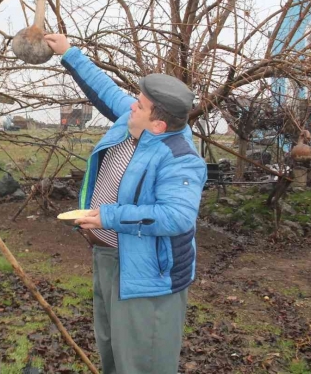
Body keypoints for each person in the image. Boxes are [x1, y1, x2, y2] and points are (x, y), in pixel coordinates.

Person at [44, 34, 207, 374]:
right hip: (108, 257)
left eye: (140, 105)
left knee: (141, 362)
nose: (132, 105)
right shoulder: (133, 121)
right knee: (113, 352)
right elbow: (104, 90)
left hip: (146, 274)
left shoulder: (180, 159)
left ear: (158, 123)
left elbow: (176, 217)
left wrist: (108, 217)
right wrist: (69, 53)